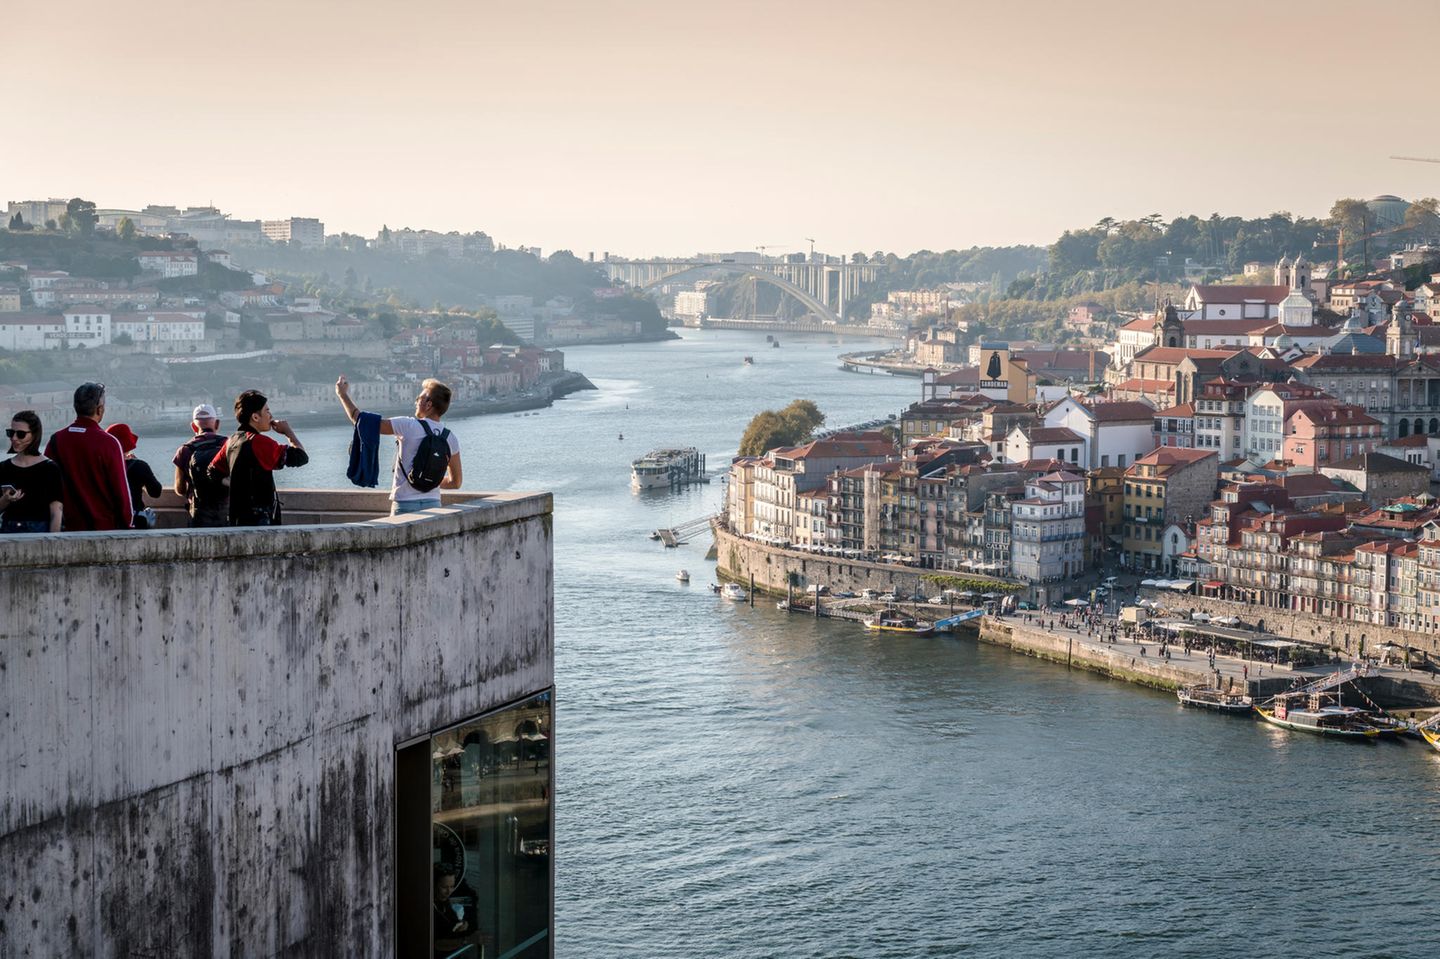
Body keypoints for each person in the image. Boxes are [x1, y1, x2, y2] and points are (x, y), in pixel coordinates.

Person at [335, 374, 462, 515]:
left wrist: (342, 395)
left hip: (405, 504)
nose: (416, 402)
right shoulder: (450, 438)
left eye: (418, 398)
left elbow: (361, 421)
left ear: (428, 404)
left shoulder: (408, 425)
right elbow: (455, 482)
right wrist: (428, 479)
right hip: (434, 504)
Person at [208, 390, 308, 526]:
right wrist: (288, 432)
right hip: (260, 520)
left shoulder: (232, 440)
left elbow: (212, 471)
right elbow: (301, 457)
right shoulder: (259, 442)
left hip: (237, 518)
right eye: (267, 411)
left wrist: (237, 486)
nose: (270, 416)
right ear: (255, 417)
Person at [43, 382, 131, 531]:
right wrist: (127, 524)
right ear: (100, 409)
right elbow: (120, 491)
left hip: (66, 527)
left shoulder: (56, 440)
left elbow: (47, 484)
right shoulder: (109, 443)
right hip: (103, 527)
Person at [0, 410, 63, 533]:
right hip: (8, 531)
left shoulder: (50, 469)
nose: (14, 438)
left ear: (34, 435)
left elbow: (56, 511)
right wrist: (5, 500)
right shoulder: (3, 467)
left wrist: (53, 543)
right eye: (11, 433)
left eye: (21, 434)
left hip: (39, 532)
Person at [173, 404, 229, 527]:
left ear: (193, 426)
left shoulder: (185, 450)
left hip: (199, 511)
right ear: (217, 424)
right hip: (228, 509)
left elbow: (180, 489)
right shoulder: (228, 445)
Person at [106, 423, 162, 529]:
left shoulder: (100, 465)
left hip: (107, 520)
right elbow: (155, 492)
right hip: (134, 520)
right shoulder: (139, 466)